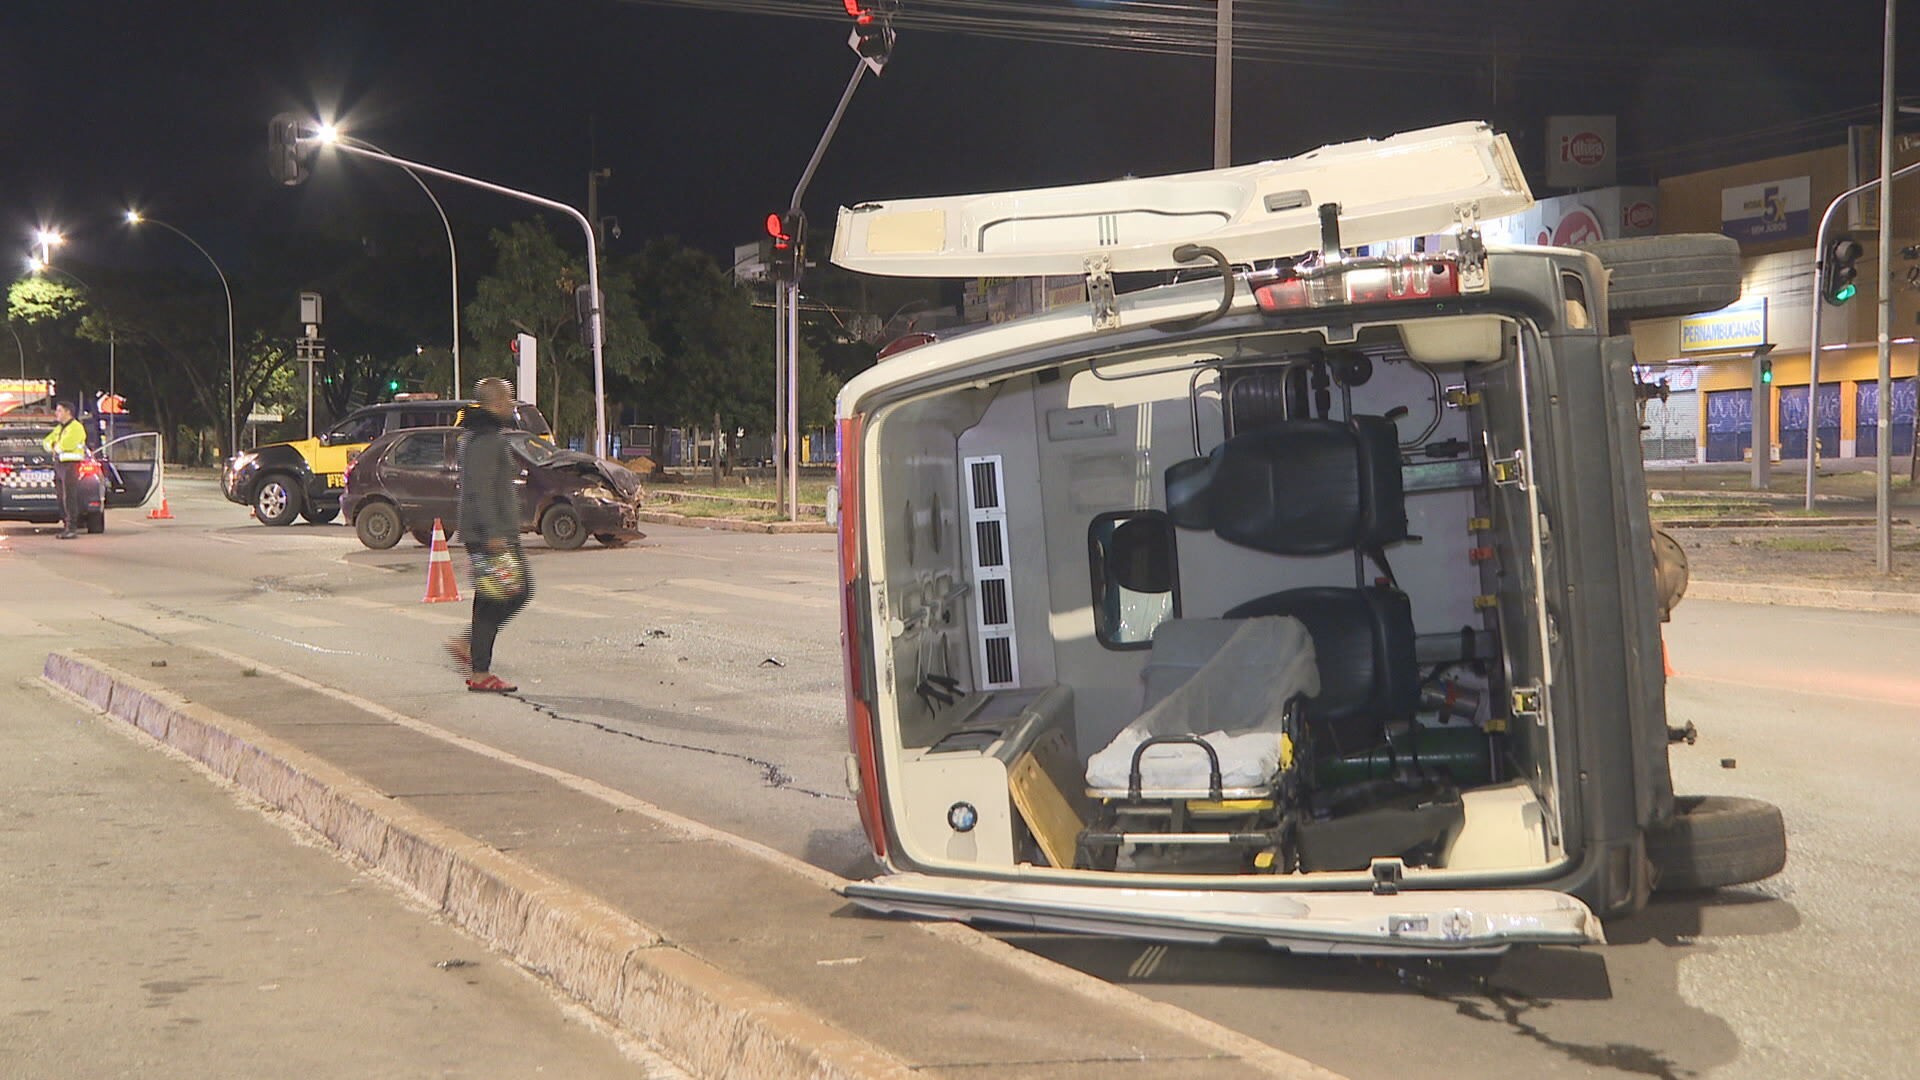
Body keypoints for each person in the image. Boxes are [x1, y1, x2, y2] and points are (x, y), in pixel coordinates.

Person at [447, 378, 531, 692]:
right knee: (515, 592)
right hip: (489, 535)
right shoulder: (486, 440)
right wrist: (495, 534)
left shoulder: (478, 436)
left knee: (490, 597)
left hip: (483, 532)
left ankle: (476, 662)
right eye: (509, 398)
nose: (512, 403)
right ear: (496, 402)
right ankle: (475, 659)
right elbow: (482, 490)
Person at [41, 402, 89, 540]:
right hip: (60, 465)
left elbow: (65, 445)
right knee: (62, 497)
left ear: (68, 412)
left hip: (70, 465)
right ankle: (66, 526)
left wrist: (55, 445)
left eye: (59, 411)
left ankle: (71, 528)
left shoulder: (76, 428)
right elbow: (46, 442)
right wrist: (54, 445)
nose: (57, 413)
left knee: (69, 497)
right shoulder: (60, 428)